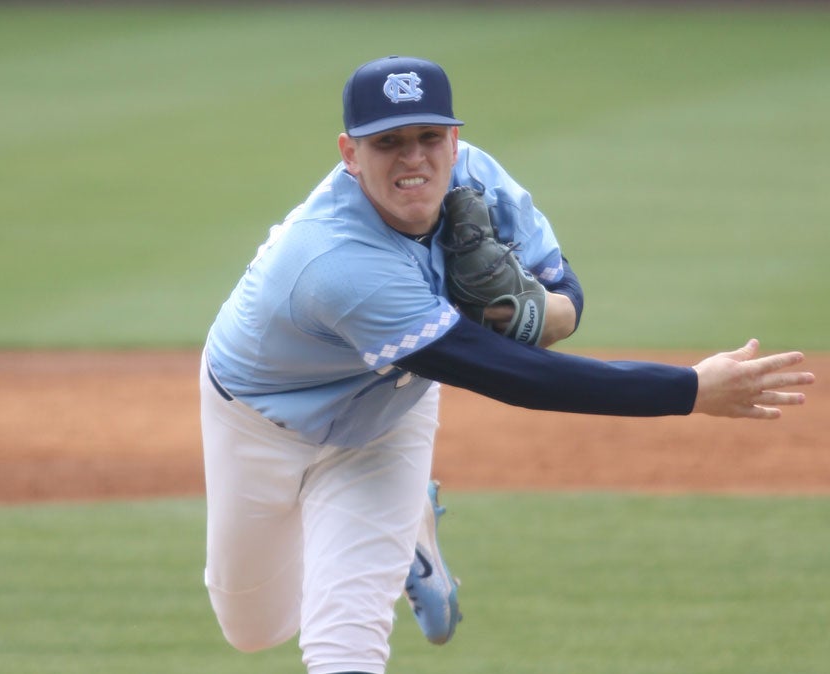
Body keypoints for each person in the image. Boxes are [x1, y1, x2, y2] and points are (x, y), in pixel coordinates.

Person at [199, 55, 814, 674]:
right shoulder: (336, 263)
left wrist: (532, 314)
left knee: (345, 641)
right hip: (260, 423)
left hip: (387, 419)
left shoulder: (475, 178)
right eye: (388, 142)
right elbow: (516, 376)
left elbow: (565, 292)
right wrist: (689, 388)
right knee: (255, 628)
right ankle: (401, 534)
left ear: (453, 139)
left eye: (429, 137)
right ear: (350, 154)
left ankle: (389, 531)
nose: (413, 158)